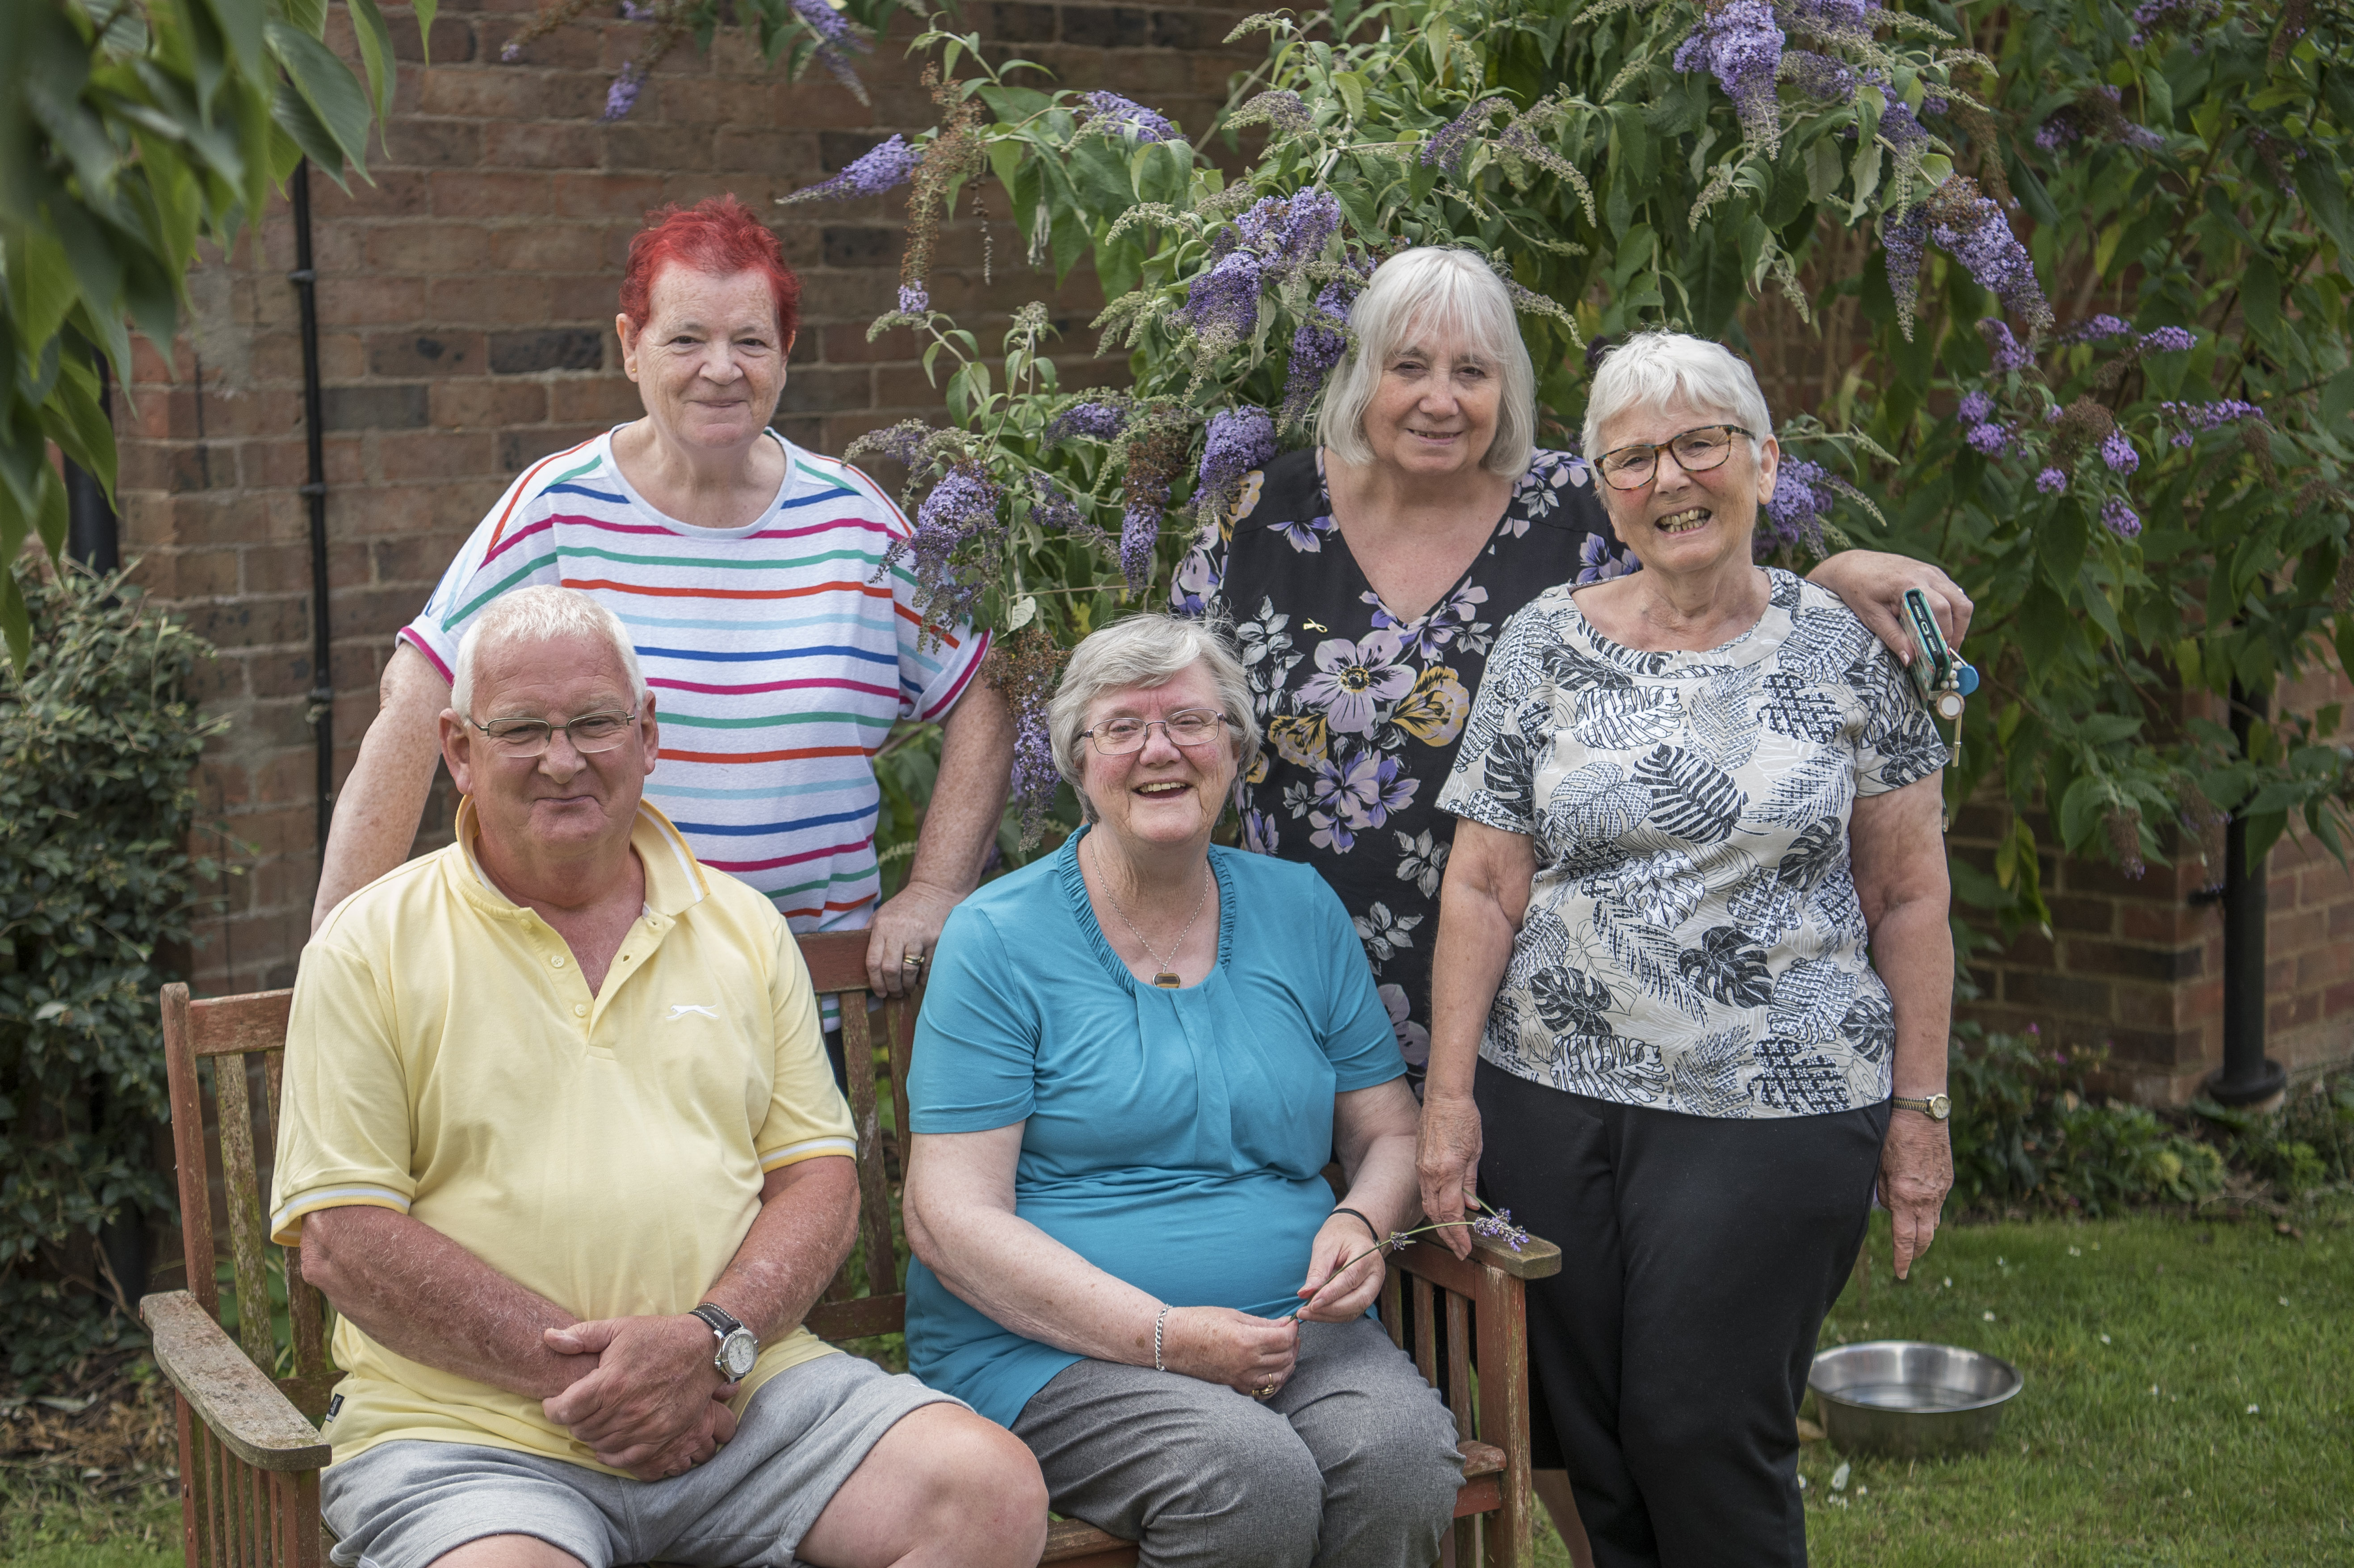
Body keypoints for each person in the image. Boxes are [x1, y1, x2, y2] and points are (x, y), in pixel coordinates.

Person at [271, 587, 1047, 1568]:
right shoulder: (368, 946)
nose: (564, 758)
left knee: (985, 1493)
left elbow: (817, 1179)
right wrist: (619, 1384)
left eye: (594, 722)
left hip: (745, 1395)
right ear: (459, 750)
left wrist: (710, 1342)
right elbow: (345, 1240)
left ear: (646, 734)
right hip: (471, 1435)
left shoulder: (742, 928)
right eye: (522, 730)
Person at [1168, 246, 1972, 1088]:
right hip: (1294, 969)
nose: (1439, 400)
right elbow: (1179, 717)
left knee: (1492, 1218)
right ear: (1360, 376)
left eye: (1472, 371)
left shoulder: (1585, 512)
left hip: (1529, 996)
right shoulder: (1257, 513)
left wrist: (1832, 579)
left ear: (1506, 388)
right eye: (1408, 366)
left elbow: (1722, 624)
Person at [1418, 331, 1955, 1568]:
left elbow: (1909, 892)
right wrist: (1448, 1099)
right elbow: (1484, 882)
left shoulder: (1847, 647)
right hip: (1546, 1094)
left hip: (1772, 1098)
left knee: (1699, 1424)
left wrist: (1918, 1108)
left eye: (1699, 443)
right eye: (1632, 457)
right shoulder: (1540, 640)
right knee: (1590, 1440)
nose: (1669, 478)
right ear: (1601, 486)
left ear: (1762, 462)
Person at [313, 195, 1011, 1002]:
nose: (721, 368)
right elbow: (416, 697)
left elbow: (984, 688)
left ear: (785, 350)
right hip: (595, 1013)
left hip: (811, 1007)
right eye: (686, 338)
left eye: (749, 340)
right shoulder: (557, 511)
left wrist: (935, 888)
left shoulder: (855, 525)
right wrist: (336, 959)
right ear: (630, 347)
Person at [899, 614, 1464, 1568]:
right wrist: (1161, 1336)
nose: (1159, 750)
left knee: (1401, 1457)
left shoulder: (1298, 907)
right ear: (1078, 765)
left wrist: (1363, 1223)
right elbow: (948, 1216)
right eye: (1121, 728)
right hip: (1055, 1351)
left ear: (1235, 751)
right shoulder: (997, 938)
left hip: (1291, 1328)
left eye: (1190, 723)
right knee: (1245, 1472)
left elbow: (1389, 1135)